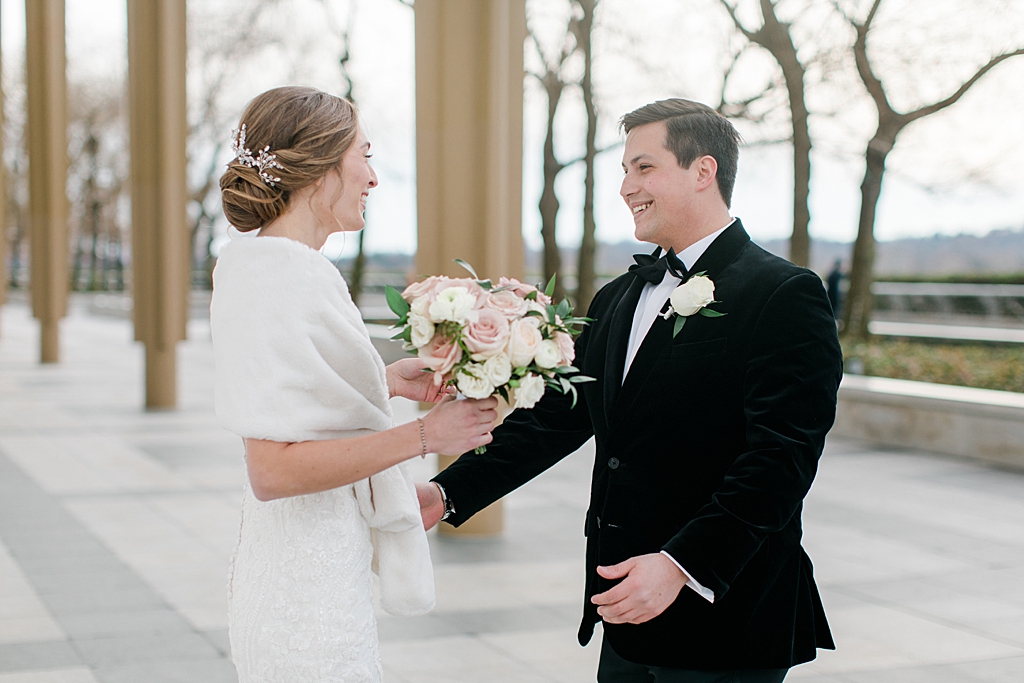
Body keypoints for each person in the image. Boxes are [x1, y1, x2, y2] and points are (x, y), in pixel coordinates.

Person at [418, 99, 843, 682]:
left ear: (703, 171)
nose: (625, 187)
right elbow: (555, 420)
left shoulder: (784, 294)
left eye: (643, 168)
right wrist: (448, 493)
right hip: (624, 613)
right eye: (624, 170)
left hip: (728, 616)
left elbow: (782, 460)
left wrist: (679, 565)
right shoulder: (617, 298)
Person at [210, 86, 497, 683]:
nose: (373, 176)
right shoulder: (291, 277)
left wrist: (384, 382)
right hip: (304, 587)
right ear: (320, 167)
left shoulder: (261, 265)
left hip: (298, 560)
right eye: (364, 155)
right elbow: (274, 470)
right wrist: (425, 436)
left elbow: (297, 405)